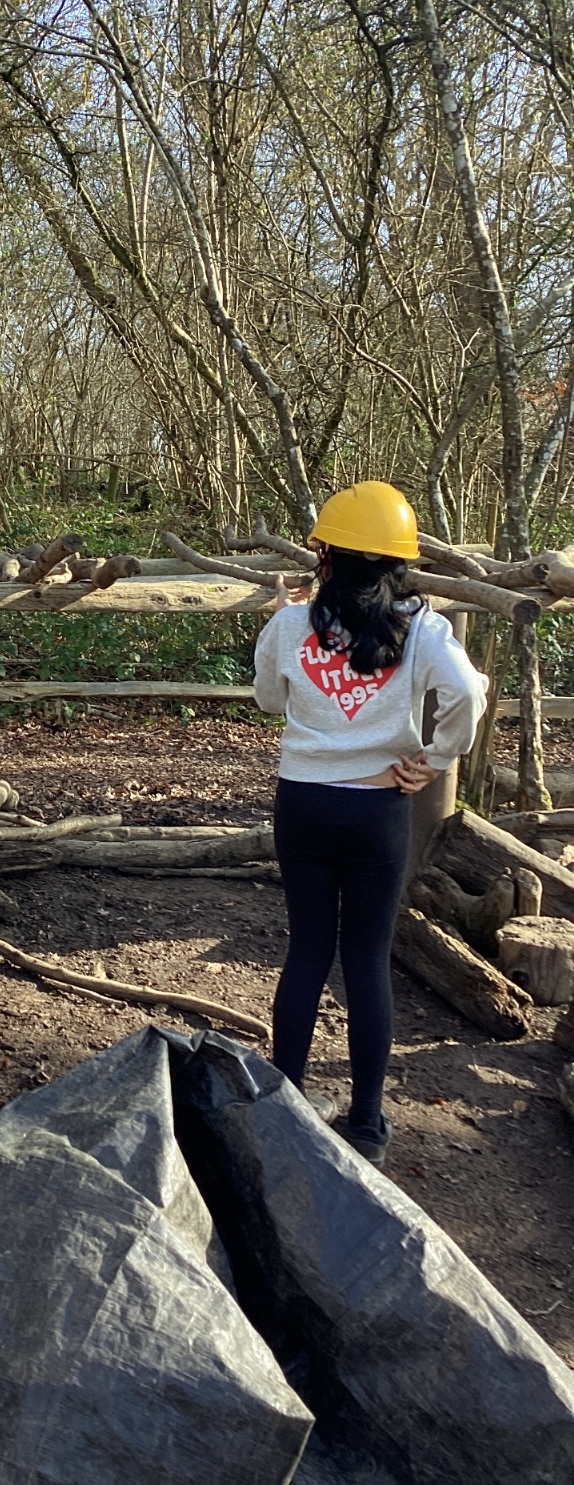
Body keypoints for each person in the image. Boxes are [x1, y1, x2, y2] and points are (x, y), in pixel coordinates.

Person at [253, 482, 487, 1167]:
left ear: (326, 556)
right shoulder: (424, 628)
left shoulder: (291, 626)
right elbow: (467, 693)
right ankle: (367, 1123)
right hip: (378, 808)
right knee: (366, 959)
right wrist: (436, 758)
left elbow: (269, 700)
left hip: (304, 802)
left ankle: (285, 1108)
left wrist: (283, 628)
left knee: (306, 953)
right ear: (399, 562)